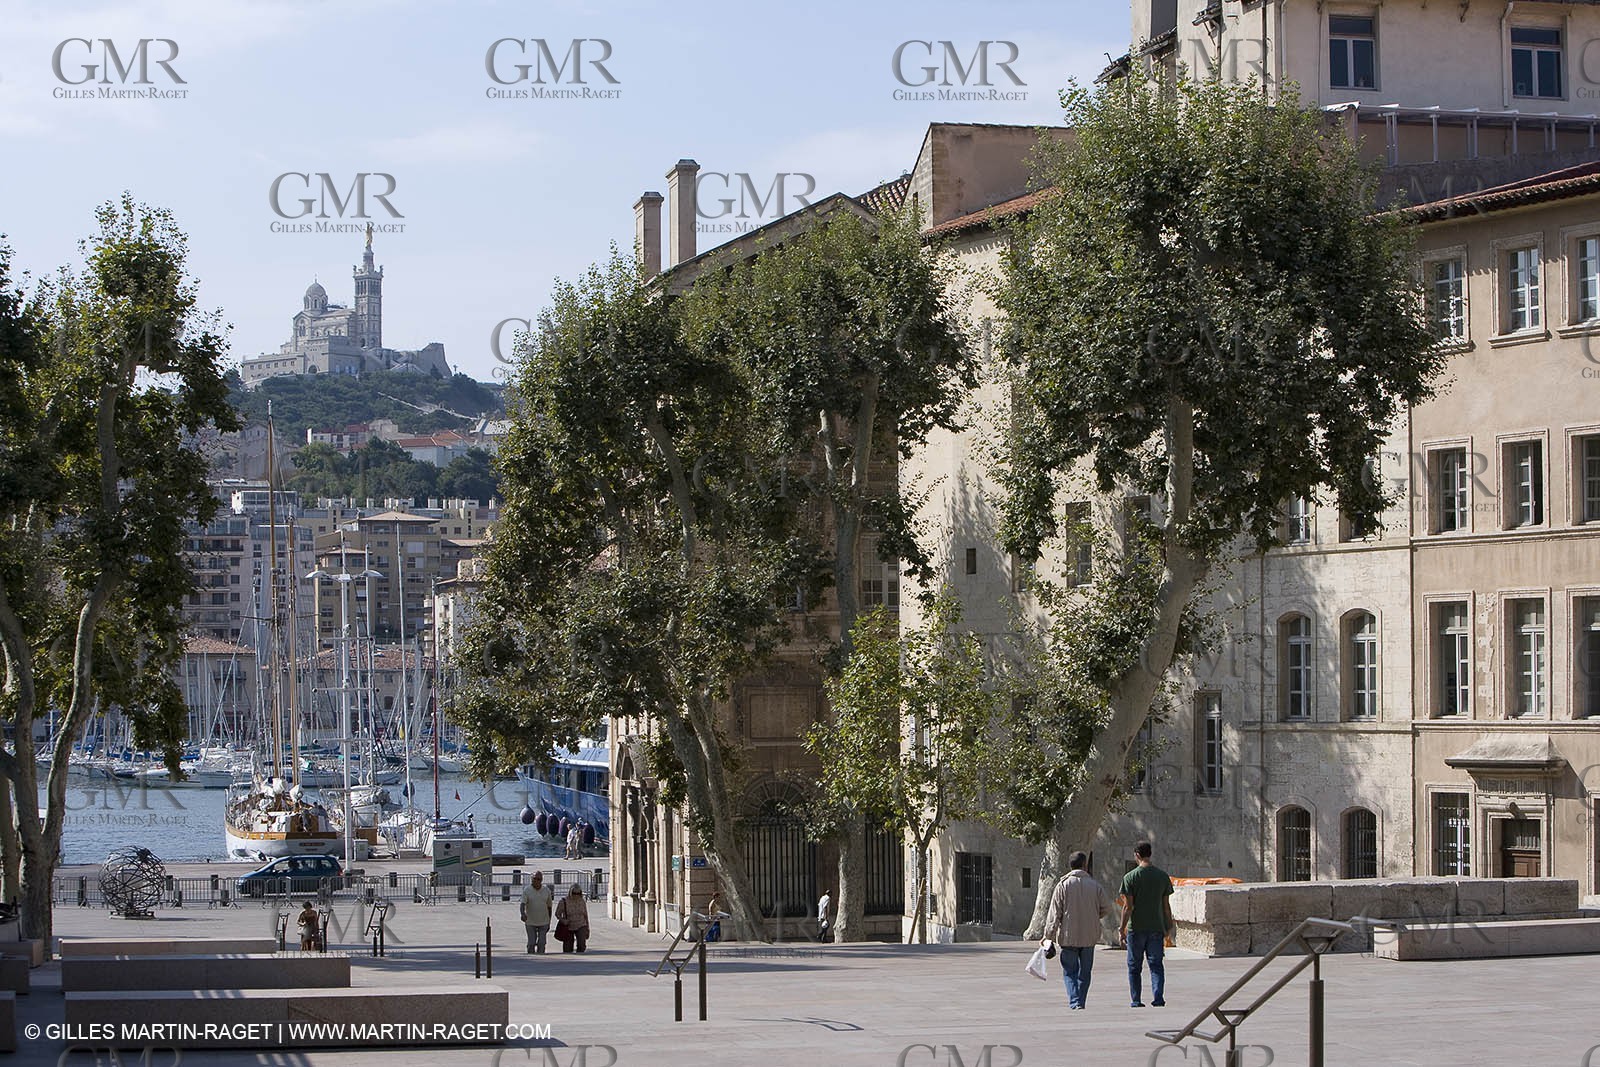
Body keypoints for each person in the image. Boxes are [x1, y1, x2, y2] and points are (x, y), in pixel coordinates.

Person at [1042, 851, 1112, 1010]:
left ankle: (1074, 1000)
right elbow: (1106, 908)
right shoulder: (1095, 885)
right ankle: (1081, 1000)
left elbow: (1054, 913)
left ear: (1070, 865)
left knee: (1069, 971)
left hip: (1069, 936)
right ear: (1085, 865)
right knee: (1085, 972)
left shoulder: (1063, 885)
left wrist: (1048, 936)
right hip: (1089, 936)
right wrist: (1094, 916)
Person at [1119, 840, 1176, 1008]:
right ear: (1150, 854)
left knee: (1134, 966)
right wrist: (1168, 926)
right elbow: (1166, 906)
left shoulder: (1130, 877)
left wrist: (1121, 928)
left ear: (1137, 855)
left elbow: (1128, 907)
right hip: (1156, 927)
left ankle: (1136, 999)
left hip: (1136, 928)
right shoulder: (1162, 876)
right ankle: (1158, 997)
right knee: (1156, 964)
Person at [520, 870, 556, 954]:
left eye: (538, 879)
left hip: (544, 921)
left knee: (542, 943)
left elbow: (549, 907)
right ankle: (531, 959)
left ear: (541, 880)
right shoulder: (527, 890)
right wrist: (522, 913)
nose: (536, 881)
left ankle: (541, 959)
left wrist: (549, 922)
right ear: (532, 879)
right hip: (530, 921)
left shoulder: (546, 890)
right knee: (531, 943)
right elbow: (522, 904)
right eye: (534, 878)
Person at [555, 883, 590, 953]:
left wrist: (587, 928)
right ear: (570, 892)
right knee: (567, 948)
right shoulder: (563, 901)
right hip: (568, 926)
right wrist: (563, 920)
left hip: (581, 924)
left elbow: (585, 915)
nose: (576, 895)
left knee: (581, 944)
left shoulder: (582, 901)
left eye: (578, 893)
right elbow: (557, 914)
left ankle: (581, 959)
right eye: (574, 893)